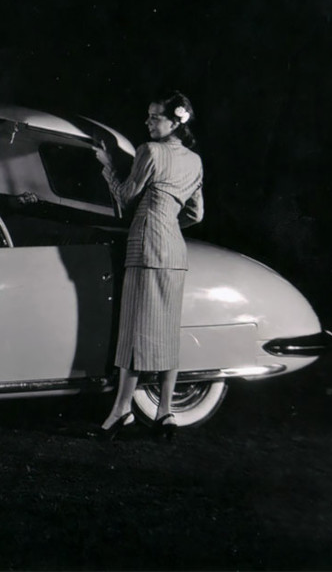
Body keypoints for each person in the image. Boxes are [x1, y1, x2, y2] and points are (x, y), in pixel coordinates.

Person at [93, 92, 204, 439]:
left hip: (145, 248)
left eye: (155, 117)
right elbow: (196, 214)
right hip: (174, 250)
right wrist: (167, 222)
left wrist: (107, 165)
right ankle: (165, 412)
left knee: (133, 333)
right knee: (167, 334)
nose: (148, 122)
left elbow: (126, 196)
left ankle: (121, 411)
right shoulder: (195, 160)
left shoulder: (150, 151)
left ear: (175, 123)